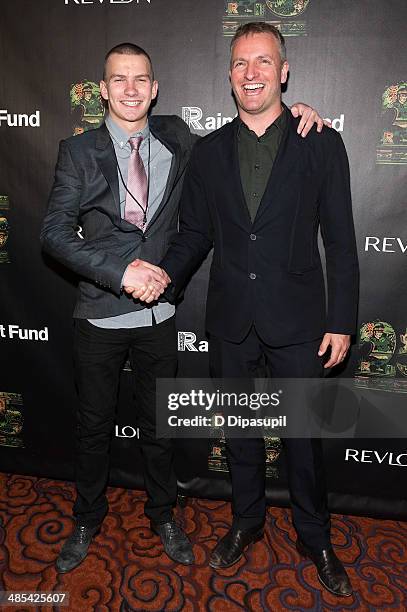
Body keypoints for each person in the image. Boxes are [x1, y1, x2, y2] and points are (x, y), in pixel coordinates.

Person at [41, 41, 327, 574]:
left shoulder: (179, 139)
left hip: (160, 318)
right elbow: (54, 234)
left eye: (141, 79)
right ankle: (86, 518)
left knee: (159, 428)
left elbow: (250, 136)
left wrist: (300, 112)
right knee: (92, 427)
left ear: (154, 88)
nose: (130, 89)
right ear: (102, 90)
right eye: (118, 80)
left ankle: (163, 513)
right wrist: (119, 271)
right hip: (101, 314)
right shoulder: (76, 151)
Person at [154, 23, 359, 596]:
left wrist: (341, 319)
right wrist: (166, 273)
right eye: (242, 63)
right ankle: (247, 521)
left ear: (284, 70)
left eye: (263, 62)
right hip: (231, 318)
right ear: (228, 74)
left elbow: (340, 241)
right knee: (240, 433)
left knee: (303, 440)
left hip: (298, 321)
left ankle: (314, 535)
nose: (252, 73)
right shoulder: (210, 150)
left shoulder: (319, 141)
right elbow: (194, 231)